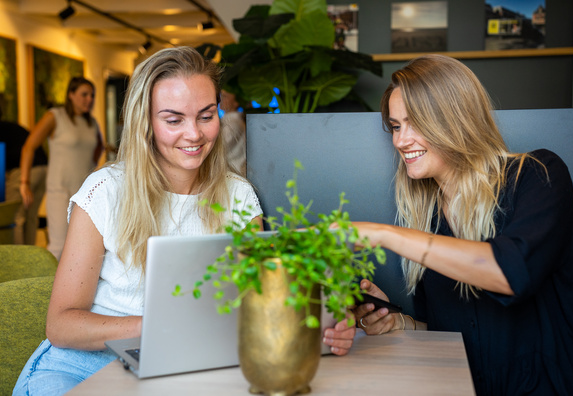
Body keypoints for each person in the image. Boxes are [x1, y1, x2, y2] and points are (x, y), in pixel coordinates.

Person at [12, 46, 351, 396]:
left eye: (206, 116)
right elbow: (62, 325)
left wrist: (318, 328)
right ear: (145, 122)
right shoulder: (105, 191)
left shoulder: (238, 196)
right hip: (82, 364)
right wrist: (159, 327)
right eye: (174, 120)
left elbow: (257, 304)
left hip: (190, 363)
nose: (194, 134)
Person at [349, 54, 573, 395]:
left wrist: (384, 235)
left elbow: (510, 272)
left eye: (415, 122)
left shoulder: (537, 175)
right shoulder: (427, 218)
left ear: (455, 118)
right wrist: (398, 323)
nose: (400, 141)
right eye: (397, 125)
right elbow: (458, 331)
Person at [19, 76, 104, 260]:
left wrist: (90, 167)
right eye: (84, 94)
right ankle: (48, 287)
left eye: (92, 95)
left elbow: (99, 146)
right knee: (59, 246)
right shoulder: (55, 116)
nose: (89, 99)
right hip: (60, 192)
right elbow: (29, 146)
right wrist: (24, 182)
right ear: (71, 95)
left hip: (85, 193)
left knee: (85, 245)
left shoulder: (92, 123)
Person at [0, 111, 47, 245]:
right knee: (31, 218)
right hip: (43, 169)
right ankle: (29, 259)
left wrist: (23, 181)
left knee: (15, 218)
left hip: (26, 171)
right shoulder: (11, 127)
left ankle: (18, 259)